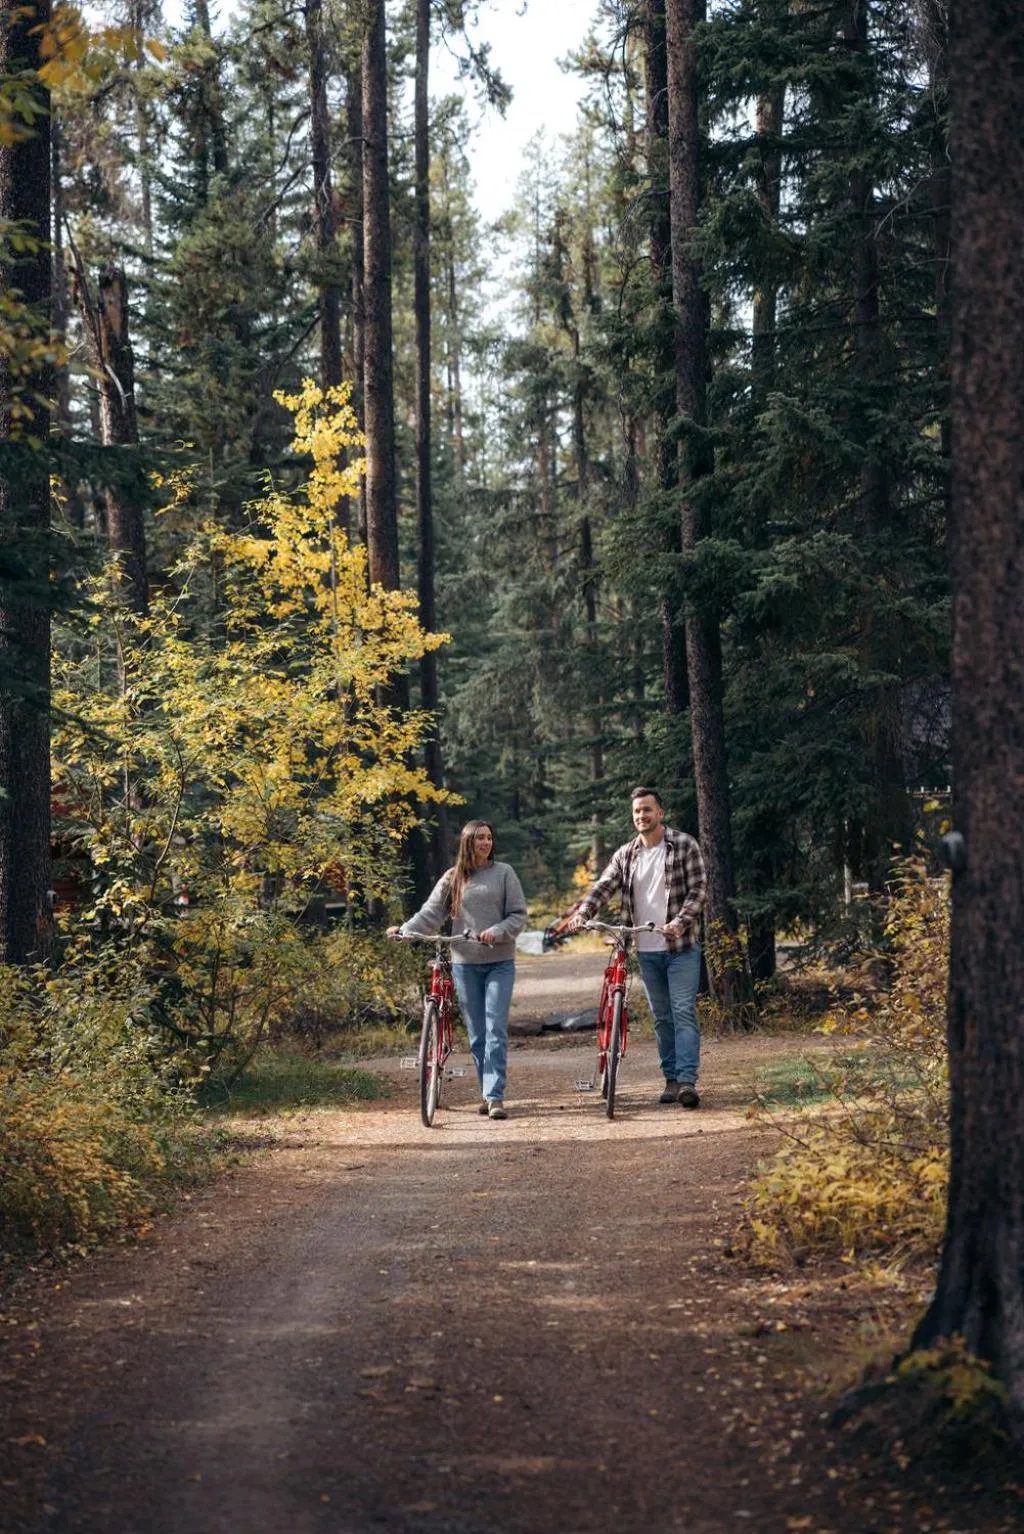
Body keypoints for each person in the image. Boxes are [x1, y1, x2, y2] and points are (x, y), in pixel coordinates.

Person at [567, 787, 707, 1108]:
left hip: (681, 946)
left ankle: (687, 1081)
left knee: (683, 1012)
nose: (642, 816)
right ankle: (671, 1080)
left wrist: (679, 923)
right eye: (637, 812)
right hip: (646, 949)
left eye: (647, 810)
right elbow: (604, 886)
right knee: (661, 1017)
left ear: (660, 813)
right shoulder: (626, 854)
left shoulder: (684, 845)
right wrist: (583, 913)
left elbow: (699, 890)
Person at [388, 820, 527, 1120]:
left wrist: (498, 930)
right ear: (467, 842)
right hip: (465, 963)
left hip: (499, 962)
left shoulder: (504, 873)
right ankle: (486, 1091)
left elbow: (518, 915)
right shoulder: (454, 878)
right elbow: (431, 913)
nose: (486, 843)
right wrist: (405, 930)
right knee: (477, 1033)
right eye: (479, 838)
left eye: (489, 837)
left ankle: (495, 1096)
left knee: (495, 1028)